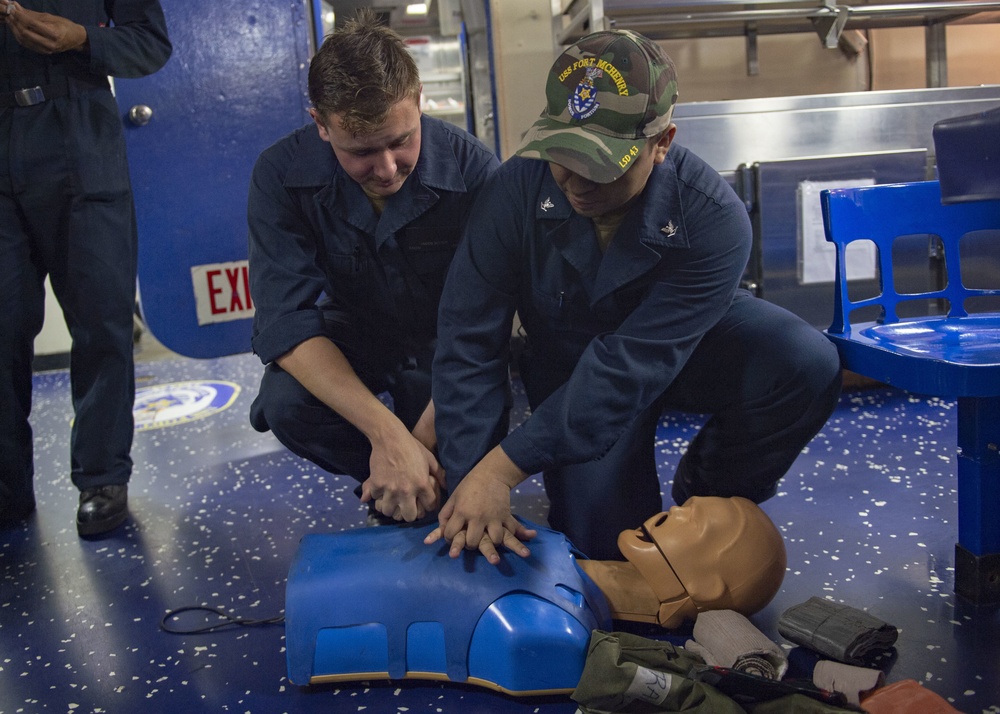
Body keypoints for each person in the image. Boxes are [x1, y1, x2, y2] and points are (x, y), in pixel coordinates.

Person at [427, 29, 843, 563]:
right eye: (562, 155)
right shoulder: (513, 193)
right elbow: (467, 341)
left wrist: (506, 466)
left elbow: (631, 365)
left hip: (683, 349)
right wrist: (473, 480)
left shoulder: (712, 216)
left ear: (662, 143)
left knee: (804, 362)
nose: (575, 183)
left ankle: (709, 490)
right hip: (572, 369)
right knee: (607, 544)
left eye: (602, 164)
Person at [247, 10, 500, 525]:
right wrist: (388, 439)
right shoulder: (279, 176)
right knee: (285, 403)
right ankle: (389, 480)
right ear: (321, 124)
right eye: (361, 150)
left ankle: (417, 480)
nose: (386, 169)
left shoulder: (475, 171)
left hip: (449, 345)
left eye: (401, 140)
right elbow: (287, 321)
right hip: (357, 333)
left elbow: (485, 324)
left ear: (420, 102)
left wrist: (418, 445)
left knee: (470, 414)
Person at [0, 0, 171, 534]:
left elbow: (150, 43)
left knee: (102, 318)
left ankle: (102, 476)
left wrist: (83, 40)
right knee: (2, 327)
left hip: (79, 130)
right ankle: (5, 489)